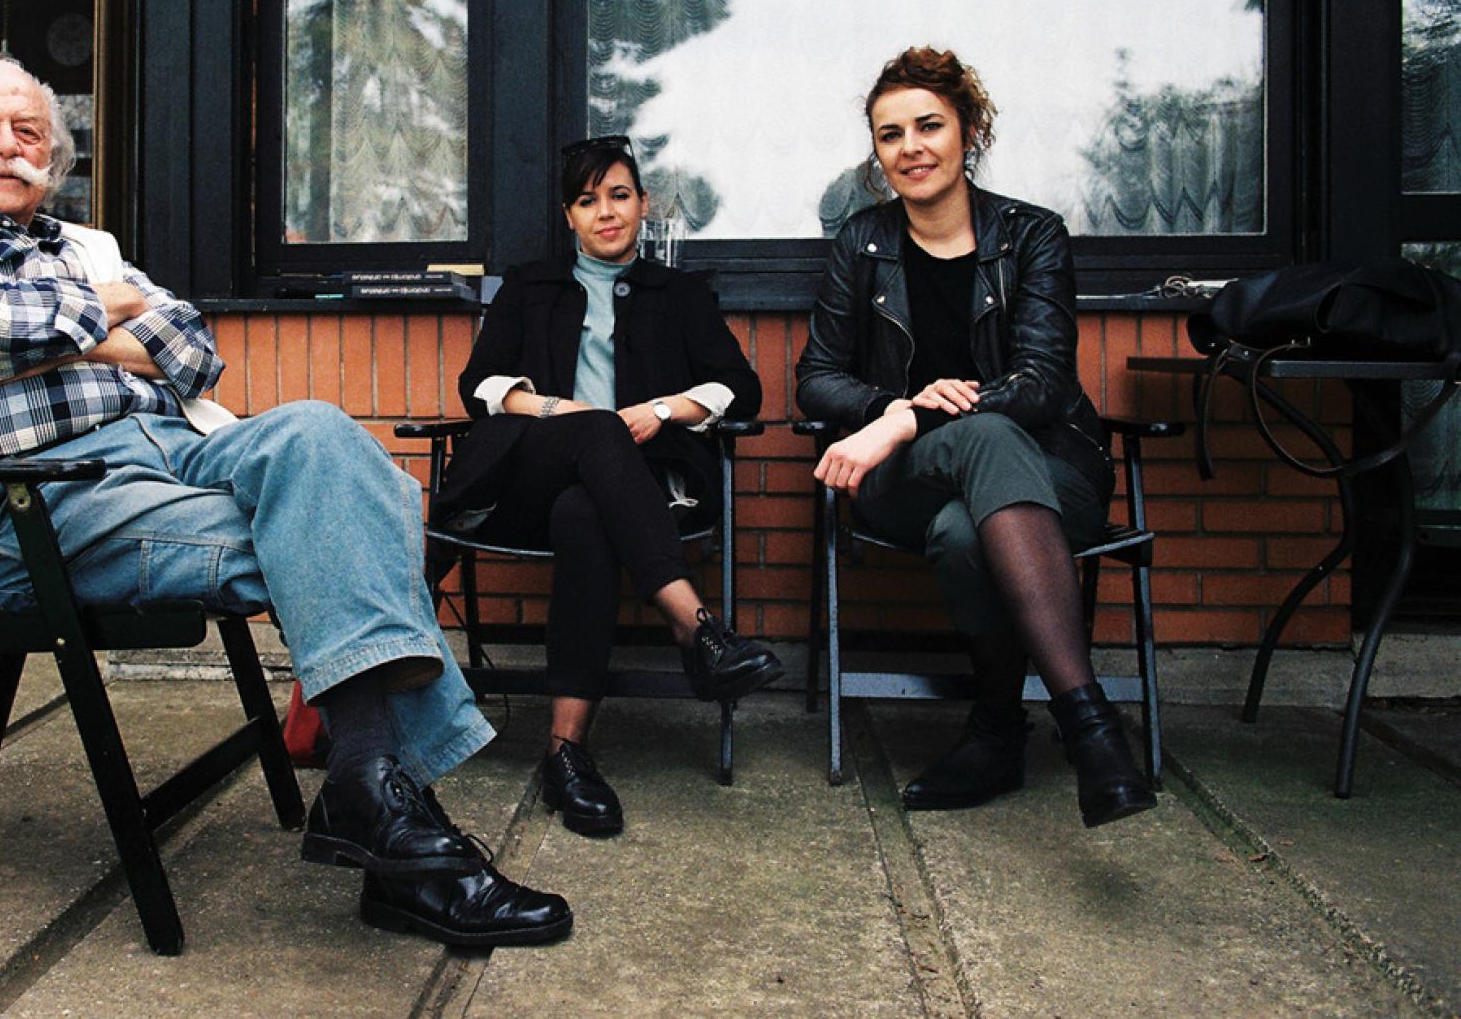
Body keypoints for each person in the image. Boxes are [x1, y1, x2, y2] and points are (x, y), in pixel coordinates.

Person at [0, 56, 569, 947]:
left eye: (30, 133)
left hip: (183, 455)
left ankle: (372, 794)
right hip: (26, 502)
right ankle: (394, 823)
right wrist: (109, 320)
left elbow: (190, 348)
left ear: (54, 160)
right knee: (357, 524)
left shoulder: (84, 245)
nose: (7, 148)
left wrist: (60, 342)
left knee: (322, 437)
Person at [794, 46, 1156, 828]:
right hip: (908, 478)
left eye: (929, 125)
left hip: (1050, 469)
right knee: (977, 445)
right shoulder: (860, 244)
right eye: (890, 135)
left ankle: (997, 731)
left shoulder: (1031, 236)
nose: (911, 147)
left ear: (969, 132)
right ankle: (1089, 725)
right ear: (877, 152)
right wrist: (900, 410)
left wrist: (904, 417)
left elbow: (1042, 383)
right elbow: (815, 378)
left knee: (966, 531)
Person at [439, 136, 782, 837]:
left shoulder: (680, 294)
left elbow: (738, 387)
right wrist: (554, 409)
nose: (606, 212)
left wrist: (662, 411)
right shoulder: (528, 286)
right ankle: (698, 628)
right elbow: (479, 384)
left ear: (643, 203)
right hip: (520, 487)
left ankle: (567, 754)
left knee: (586, 511)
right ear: (569, 214)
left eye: (619, 195)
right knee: (594, 432)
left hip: (628, 496)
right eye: (588, 200)